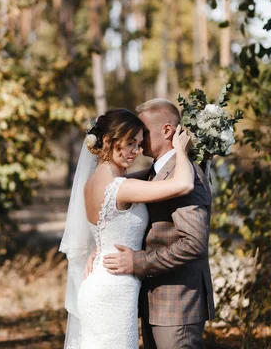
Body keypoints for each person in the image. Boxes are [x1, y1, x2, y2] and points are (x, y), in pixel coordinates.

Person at [59, 107, 193, 349]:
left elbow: (106, 228)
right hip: (113, 291)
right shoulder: (120, 187)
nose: (137, 151)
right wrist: (180, 151)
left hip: (102, 281)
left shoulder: (93, 182)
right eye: (130, 143)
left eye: (139, 144)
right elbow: (183, 184)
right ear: (109, 142)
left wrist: (97, 251)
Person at [103, 99, 215, 349]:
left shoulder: (186, 175)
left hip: (178, 305)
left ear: (166, 130)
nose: (138, 138)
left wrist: (137, 261)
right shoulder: (154, 172)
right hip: (155, 302)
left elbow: (194, 244)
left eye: (142, 131)